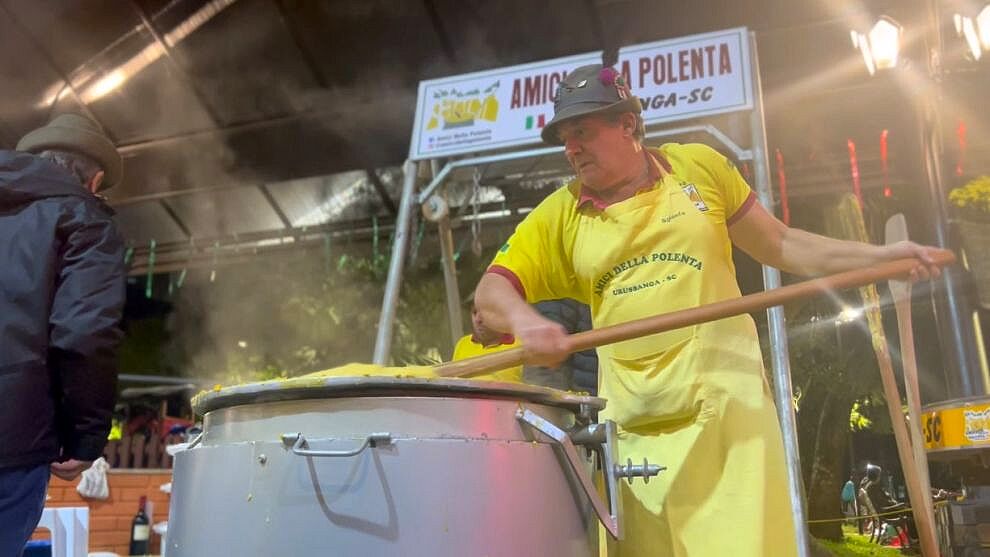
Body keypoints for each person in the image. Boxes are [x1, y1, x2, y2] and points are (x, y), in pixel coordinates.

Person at [472, 62, 942, 556]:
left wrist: (881, 259)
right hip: (632, 432)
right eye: (565, 138)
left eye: (583, 132)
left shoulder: (700, 167)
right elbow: (491, 291)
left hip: (727, 416)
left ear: (627, 124)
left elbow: (782, 244)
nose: (571, 149)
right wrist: (526, 322)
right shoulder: (562, 212)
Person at [0, 114, 126, 555]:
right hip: (10, 443)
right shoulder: (83, 219)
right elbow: (83, 333)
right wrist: (84, 439)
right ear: (94, 180)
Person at [451, 304, 524, 383]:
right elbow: (453, 381)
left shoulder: (521, 344)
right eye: (474, 313)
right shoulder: (463, 343)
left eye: (485, 313)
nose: (478, 320)